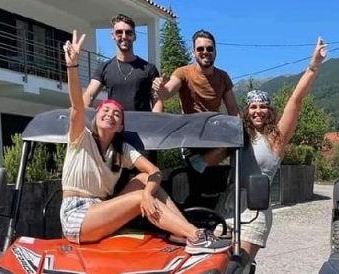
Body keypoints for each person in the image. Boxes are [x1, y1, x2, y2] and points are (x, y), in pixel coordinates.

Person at [60, 30, 230, 255]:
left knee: (143, 180)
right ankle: (196, 235)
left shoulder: (120, 149)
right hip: (77, 217)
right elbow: (77, 108)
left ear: (121, 126)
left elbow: (154, 172)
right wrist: (72, 67)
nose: (110, 114)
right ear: (95, 118)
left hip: (101, 209)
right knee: (140, 196)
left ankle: (184, 232)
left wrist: (148, 192)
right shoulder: (81, 140)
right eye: (105, 110)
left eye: (117, 114)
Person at [214, 37, 328, 264]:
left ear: (270, 110)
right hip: (228, 205)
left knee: (238, 265)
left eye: (263, 106)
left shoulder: (277, 137)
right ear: (247, 111)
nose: (259, 111)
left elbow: (296, 99)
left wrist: (314, 65)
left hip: (255, 211)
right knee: (214, 262)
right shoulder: (239, 136)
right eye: (253, 107)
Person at [152, 29, 240, 172]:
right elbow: (167, 92)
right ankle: (197, 164)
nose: (205, 52)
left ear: (215, 52)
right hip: (191, 137)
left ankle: (201, 165)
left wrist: (242, 131)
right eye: (200, 49)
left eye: (209, 48)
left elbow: (233, 110)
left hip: (213, 136)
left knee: (239, 137)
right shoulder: (183, 73)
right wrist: (160, 86)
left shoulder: (223, 77)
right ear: (193, 52)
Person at [83, 14, 162, 114]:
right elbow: (88, 96)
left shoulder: (149, 69)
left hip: (142, 126)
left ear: (134, 36)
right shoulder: (104, 68)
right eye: (119, 32)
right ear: (113, 36)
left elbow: (157, 100)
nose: (124, 36)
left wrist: (154, 125)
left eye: (129, 33)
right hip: (114, 126)